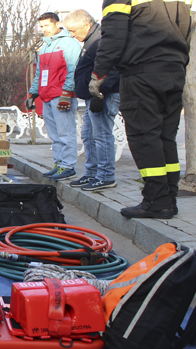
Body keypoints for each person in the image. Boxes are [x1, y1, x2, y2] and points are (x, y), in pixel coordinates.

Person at [91, 0, 191, 219]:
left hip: (141, 73)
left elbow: (114, 36)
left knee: (145, 137)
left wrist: (98, 73)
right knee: (165, 138)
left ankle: (156, 201)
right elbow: (185, 27)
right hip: (174, 70)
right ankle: (168, 199)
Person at [62, 10, 120, 191]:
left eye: (73, 30)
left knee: (101, 136)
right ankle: (92, 173)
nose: (72, 35)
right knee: (88, 135)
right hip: (92, 95)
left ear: (86, 25)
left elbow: (112, 69)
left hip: (102, 95)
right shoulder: (91, 40)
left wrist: (100, 94)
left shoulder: (100, 40)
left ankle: (105, 176)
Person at [26, 12, 82, 181]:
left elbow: (73, 70)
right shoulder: (44, 47)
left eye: (47, 26)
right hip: (47, 96)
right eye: (41, 26)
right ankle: (59, 164)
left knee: (66, 133)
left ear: (58, 24)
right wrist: (32, 93)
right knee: (55, 135)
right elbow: (39, 73)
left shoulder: (69, 43)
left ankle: (68, 166)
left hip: (61, 95)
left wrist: (67, 93)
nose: (43, 29)